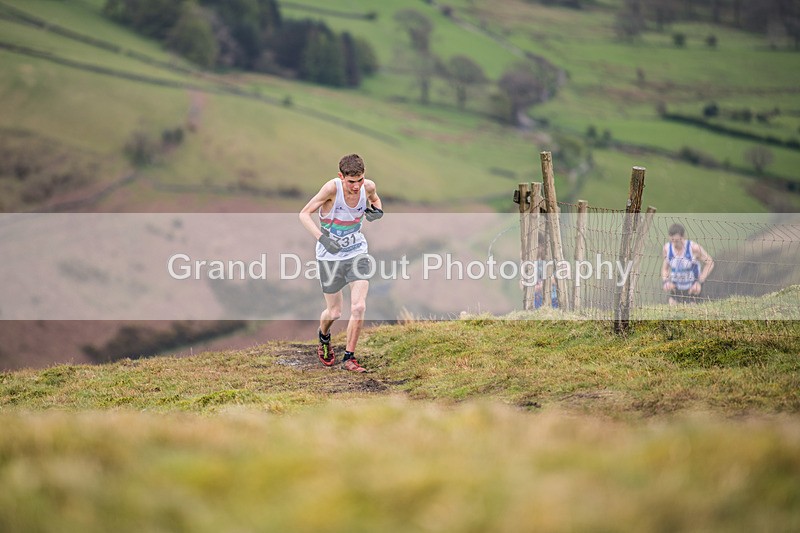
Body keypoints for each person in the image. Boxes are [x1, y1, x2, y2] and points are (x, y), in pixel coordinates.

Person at [299, 153, 383, 372]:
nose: (356, 186)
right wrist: (323, 239)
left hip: (357, 252)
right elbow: (304, 214)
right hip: (329, 256)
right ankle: (324, 336)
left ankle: (349, 358)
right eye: (351, 181)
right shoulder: (331, 189)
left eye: (360, 180)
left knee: (359, 306)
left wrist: (377, 211)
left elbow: (375, 200)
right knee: (334, 312)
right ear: (341, 177)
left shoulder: (368, 186)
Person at [661, 223, 714, 305]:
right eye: (672, 241)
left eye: (677, 241)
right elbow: (665, 268)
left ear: (683, 237)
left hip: (692, 288)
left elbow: (710, 263)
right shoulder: (667, 248)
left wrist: (699, 282)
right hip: (676, 288)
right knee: (671, 308)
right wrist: (666, 282)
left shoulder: (694, 248)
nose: (674, 244)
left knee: (692, 310)